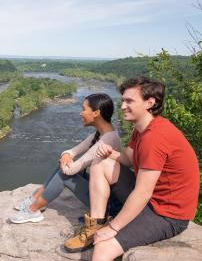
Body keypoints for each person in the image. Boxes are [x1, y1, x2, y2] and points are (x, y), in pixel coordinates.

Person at [35, 76, 200, 261]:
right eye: (123, 100)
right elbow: (127, 160)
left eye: (128, 101)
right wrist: (110, 155)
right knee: (102, 164)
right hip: (153, 200)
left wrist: (115, 229)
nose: (122, 106)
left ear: (150, 102)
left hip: (167, 213)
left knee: (104, 248)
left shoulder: (157, 137)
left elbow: (143, 192)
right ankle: (96, 223)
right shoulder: (142, 129)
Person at [10, 93, 121, 224]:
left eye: (84, 109)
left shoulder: (107, 140)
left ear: (96, 113)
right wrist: (66, 156)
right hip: (100, 193)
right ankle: (35, 198)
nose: (80, 113)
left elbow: (70, 171)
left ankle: (33, 210)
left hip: (106, 204)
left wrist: (65, 159)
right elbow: (71, 151)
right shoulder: (100, 134)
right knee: (63, 167)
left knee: (64, 175)